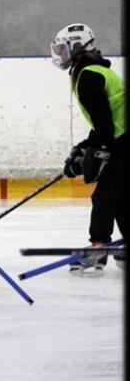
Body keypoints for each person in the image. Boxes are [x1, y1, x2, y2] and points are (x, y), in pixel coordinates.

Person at [51, 23, 126, 276]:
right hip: (122, 140)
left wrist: (94, 151)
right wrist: (85, 148)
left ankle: (99, 248)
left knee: (104, 195)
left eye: (64, 49)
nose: (60, 55)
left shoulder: (88, 77)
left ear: (78, 47)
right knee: (119, 196)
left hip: (122, 142)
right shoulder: (94, 72)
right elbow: (105, 123)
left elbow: (105, 125)